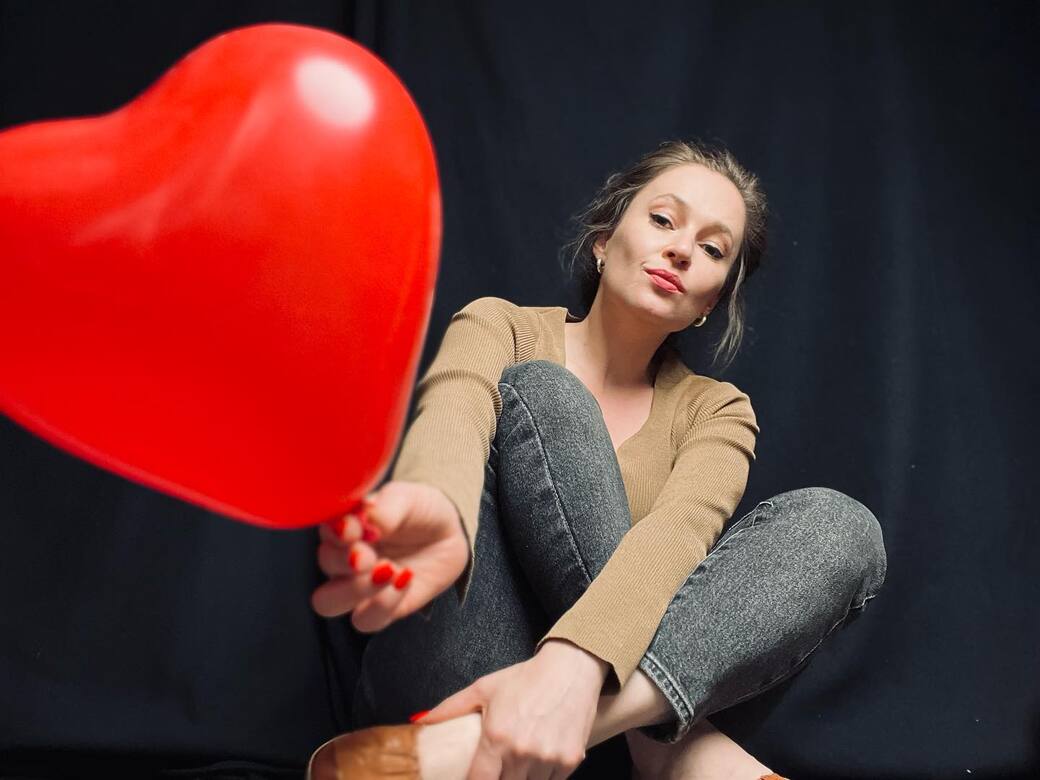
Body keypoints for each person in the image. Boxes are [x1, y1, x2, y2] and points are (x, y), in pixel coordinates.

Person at [306, 140, 887, 780]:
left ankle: (498, 739)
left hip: (553, 749)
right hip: (444, 681)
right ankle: (671, 753)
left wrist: (576, 665)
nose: (682, 250)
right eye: (663, 220)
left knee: (841, 527)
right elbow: (456, 409)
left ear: (709, 303)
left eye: (713, 249)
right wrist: (438, 499)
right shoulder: (501, 327)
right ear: (604, 241)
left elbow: (678, 536)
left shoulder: (717, 411)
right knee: (548, 394)